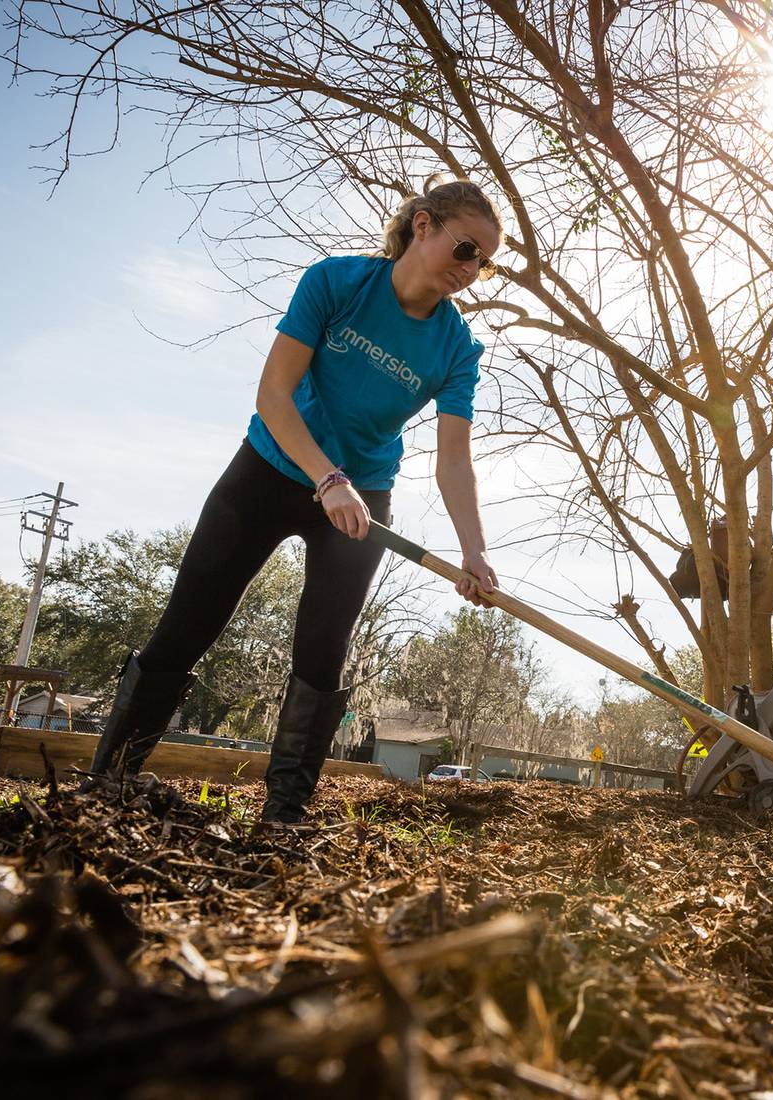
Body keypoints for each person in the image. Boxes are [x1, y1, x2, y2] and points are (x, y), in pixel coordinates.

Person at [83, 177, 503, 823]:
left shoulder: (456, 348)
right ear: (423, 225)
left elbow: (453, 458)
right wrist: (327, 478)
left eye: (484, 261)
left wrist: (474, 552)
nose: (471, 270)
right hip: (272, 467)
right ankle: (106, 785)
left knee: (322, 653)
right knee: (187, 627)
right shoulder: (336, 283)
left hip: (361, 500)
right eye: (466, 248)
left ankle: (282, 815)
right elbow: (273, 395)